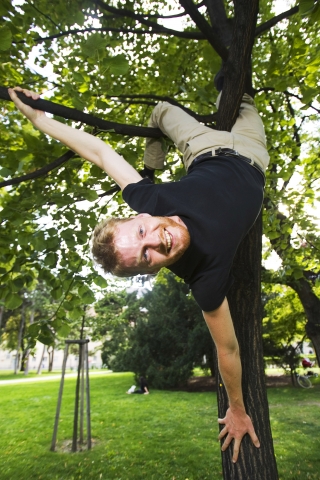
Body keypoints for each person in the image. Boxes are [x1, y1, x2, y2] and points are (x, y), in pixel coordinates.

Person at [8, 81, 268, 462]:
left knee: (162, 109)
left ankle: (158, 156)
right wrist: (238, 409)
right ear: (152, 271)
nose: (156, 243)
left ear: (140, 217)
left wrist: (40, 120)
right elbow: (227, 349)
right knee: (244, 105)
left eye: (142, 233)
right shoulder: (205, 279)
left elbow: (99, 151)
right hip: (252, 155)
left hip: (202, 147)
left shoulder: (148, 196)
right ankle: (234, 95)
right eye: (147, 257)